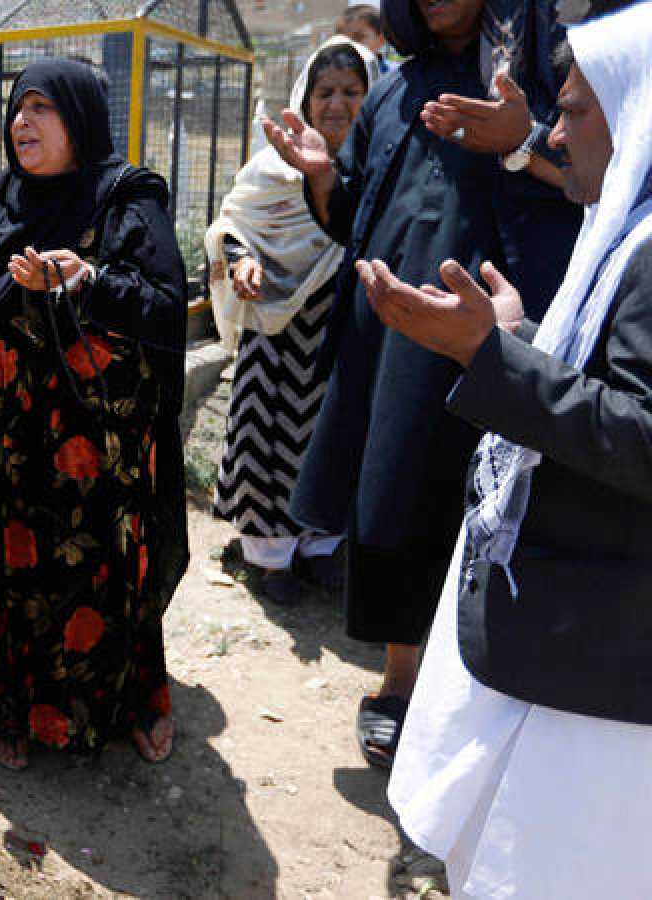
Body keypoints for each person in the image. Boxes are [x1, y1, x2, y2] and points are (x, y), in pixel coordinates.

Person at [364, 6, 652, 894]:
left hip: (598, 668)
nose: (554, 133)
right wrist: (522, 341)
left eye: (572, 112)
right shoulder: (626, 230)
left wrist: (488, 359)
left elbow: (643, 436)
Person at [262, 0, 580, 769]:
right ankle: (398, 681)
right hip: (393, 336)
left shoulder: (539, 78)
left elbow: (588, 186)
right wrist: (321, 175)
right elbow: (355, 217)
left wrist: (522, 141)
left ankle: (479, 691)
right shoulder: (393, 90)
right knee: (395, 485)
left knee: (488, 504)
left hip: (503, 329)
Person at [0, 59, 189, 770]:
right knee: (10, 565)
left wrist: (85, 280)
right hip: (8, 436)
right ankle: (8, 708)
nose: (21, 122)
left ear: (81, 117)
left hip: (94, 441)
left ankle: (129, 702)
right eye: (16, 108)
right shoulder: (5, 200)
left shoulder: (126, 196)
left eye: (42, 108)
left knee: (99, 567)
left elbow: (163, 306)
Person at [206, 38, 375, 605]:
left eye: (353, 91)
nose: (337, 103)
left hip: (345, 330)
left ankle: (322, 546)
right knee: (265, 438)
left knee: (334, 434)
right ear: (305, 97)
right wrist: (243, 260)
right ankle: (270, 557)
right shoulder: (270, 168)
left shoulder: (379, 167)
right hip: (274, 329)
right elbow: (234, 223)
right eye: (325, 91)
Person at [337, 4, 394, 72]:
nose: (351, 46)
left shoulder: (394, 73)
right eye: (344, 42)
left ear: (381, 38)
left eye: (359, 37)